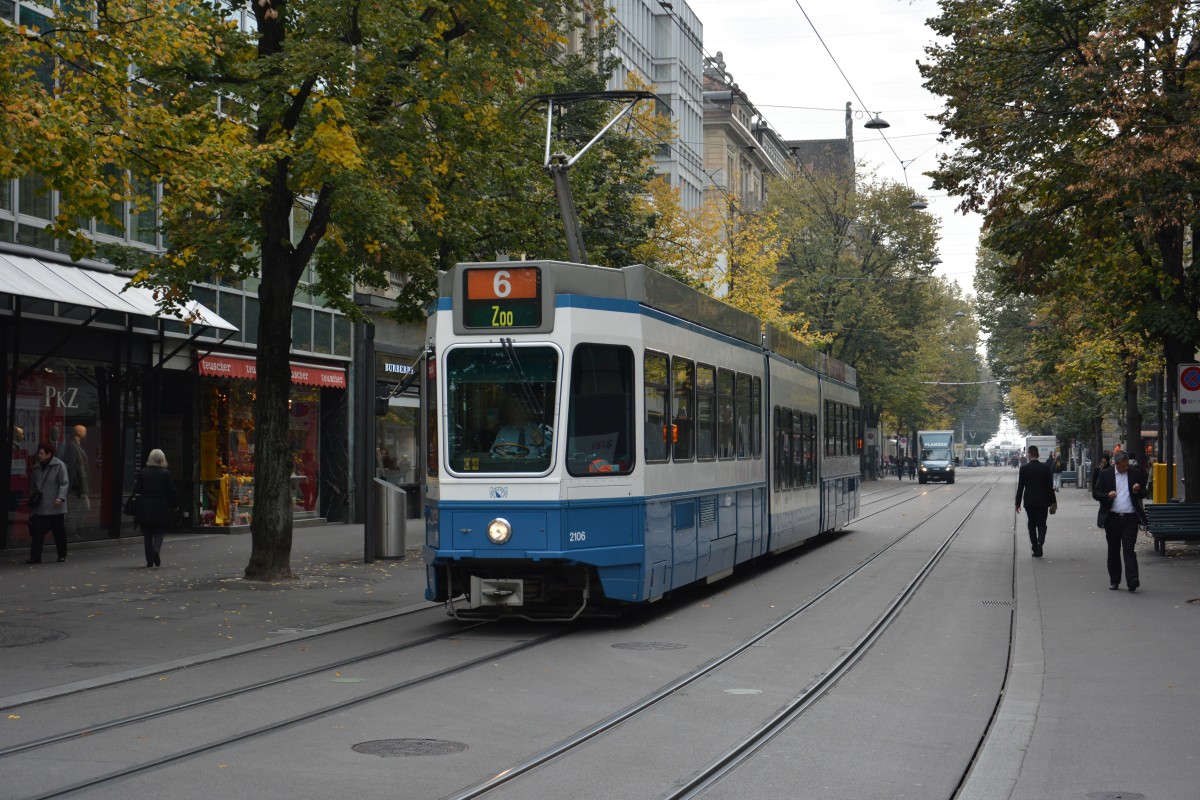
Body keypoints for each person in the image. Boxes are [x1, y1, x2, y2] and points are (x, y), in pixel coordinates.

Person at [1092, 450, 1147, 591]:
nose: (1125, 468)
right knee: (1113, 550)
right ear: (1116, 464)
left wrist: (1137, 490)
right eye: (1123, 466)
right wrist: (1107, 496)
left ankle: (1132, 580)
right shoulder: (1105, 474)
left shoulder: (1134, 473)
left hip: (1130, 517)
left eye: (1127, 465)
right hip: (1112, 517)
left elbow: (1144, 493)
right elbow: (1096, 493)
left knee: (1129, 549)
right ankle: (1114, 580)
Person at [133, 449, 180, 568]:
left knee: (147, 533)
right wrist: (175, 504)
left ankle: (149, 560)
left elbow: (137, 489)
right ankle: (156, 550)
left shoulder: (143, 472)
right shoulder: (165, 474)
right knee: (160, 530)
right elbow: (172, 491)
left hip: (145, 506)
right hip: (161, 506)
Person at [26, 442, 70, 564]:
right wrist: (33, 498)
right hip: (40, 506)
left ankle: (62, 554)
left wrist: (60, 498)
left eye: (41, 453)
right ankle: (35, 556)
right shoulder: (36, 468)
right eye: (38, 453)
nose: (39, 455)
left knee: (58, 532)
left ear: (49, 454)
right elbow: (33, 486)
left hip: (55, 505)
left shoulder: (59, 465)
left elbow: (64, 483)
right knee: (37, 532)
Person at [1015, 444, 1056, 557]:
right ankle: (1040, 543)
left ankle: (1034, 546)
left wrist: (1017, 503)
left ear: (1029, 455)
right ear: (1038, 455)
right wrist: (1053, 501)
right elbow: (1049, 487)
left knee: (1031, 524)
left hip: (1029, 501)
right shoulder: (1046, 468)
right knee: (1042, 524)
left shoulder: (1024, 469)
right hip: (1043, 502)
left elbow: (1021, 487)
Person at [62, 424, 89, 535]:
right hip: (77, 485)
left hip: (81, 484)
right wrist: (72, 485)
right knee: (76, 508)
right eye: (84, 431)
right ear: (79, 432)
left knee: (84, 507)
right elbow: (72, 467)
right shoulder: (72, 446)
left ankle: (76, 529)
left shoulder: (77, 445)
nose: (86, 433)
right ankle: (72, 530)